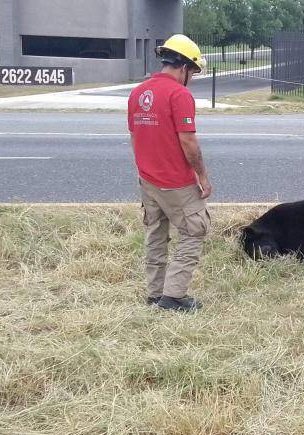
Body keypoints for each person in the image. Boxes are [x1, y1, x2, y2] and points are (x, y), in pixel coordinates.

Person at [128, 34, 212, 312]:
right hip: (176, 182)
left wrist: (145, 169)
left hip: (148, 180)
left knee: (156, 234)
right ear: (184, 66)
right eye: (193, 72)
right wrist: (202, 176)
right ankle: (173, 296)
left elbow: (135, 135)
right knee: (195, 230)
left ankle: (155, 293)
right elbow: (188, 141)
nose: (192, 78)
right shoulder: (179, 94)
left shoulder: (138, 92)